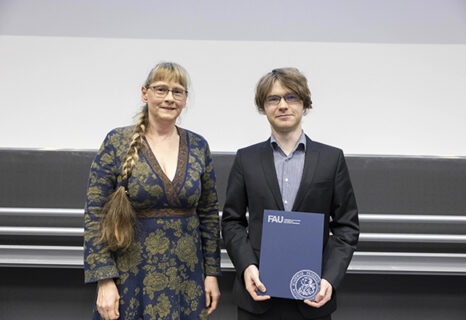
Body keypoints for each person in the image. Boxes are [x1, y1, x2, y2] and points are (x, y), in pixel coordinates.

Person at [84, 62, 221, 320]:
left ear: (185, 99)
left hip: (187, 280)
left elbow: (210, 216)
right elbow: (95, 215)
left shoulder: (198, 145)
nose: (169, 98)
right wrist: (104, 280)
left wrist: (211, 274)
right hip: (130, 279)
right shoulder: (116, 142)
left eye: (177, 91)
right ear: (145, 93)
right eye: (161, 89)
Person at [221, 68, 360, 320]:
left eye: (291, 97)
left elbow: (346, 227)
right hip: (258, 294)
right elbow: (232, 221)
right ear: (264, 107)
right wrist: (246, 267)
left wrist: (329, 278)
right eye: (273, 99)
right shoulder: (246, 159)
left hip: (312, 295)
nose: (283, 105)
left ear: (304, 104)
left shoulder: (331, 159)